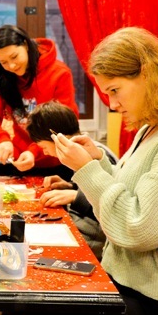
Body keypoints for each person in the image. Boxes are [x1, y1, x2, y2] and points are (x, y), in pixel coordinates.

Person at [25, 27, 158, 315]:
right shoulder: (153, 130)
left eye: (114, 90)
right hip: (131, 285)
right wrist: (97, 159)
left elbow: (135, 227)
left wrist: (87, 169)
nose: (112, 104)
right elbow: (125, 193)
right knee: (38, 307)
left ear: (148, 75)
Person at [0, 24, 78, 176]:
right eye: (3, 62)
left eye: (14, 57)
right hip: (21, 162)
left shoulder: (59, 73)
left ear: (25, 45)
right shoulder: (1, 75)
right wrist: (2, 140)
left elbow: (63, 126)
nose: (11, 65)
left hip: (56, 162)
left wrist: (33, 152)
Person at [27, 101, 117, 260]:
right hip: (80, 229)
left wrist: (75, 197)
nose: (45, 153)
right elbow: (93, 187)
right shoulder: (77, 151)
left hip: (94, 240)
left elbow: (112, 204)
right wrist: (69, 186)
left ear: (55, 137)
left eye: (43, 146)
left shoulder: (94, 153)